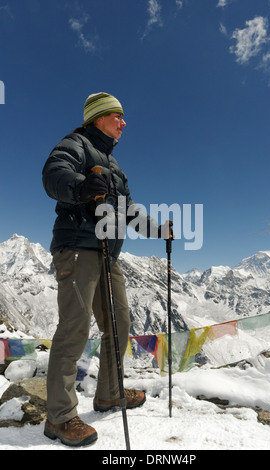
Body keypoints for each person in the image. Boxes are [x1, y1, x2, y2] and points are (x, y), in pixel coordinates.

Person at [42, 92, 172, 447]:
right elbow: (53, 174)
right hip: (78, 250)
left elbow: (129, 212)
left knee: (119, 322)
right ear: (98, 117)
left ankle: (109, 394)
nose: (124, 122)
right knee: (75, 327)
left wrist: (158, 230)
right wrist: (81, 186)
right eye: (117, 116)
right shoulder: (76, 145)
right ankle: (60, 416)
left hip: (107, 255)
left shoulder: (116, 169)